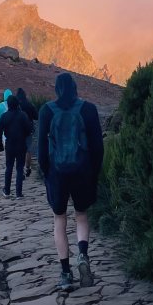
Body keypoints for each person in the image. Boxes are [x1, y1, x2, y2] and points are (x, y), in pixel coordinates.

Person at [38, 72, 104, 292]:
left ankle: (65, 274)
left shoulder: (47, 111)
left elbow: (41, 149)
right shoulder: (89, 109)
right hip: (82, 172)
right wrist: (94, 173)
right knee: (82, 216)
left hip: (57, 174)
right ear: (75, 87)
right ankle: (83, 254)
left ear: (56, 89)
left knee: (59, 220)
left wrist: (47, 174)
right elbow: (98, 148)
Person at [0, 95, 32, 198]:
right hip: (21, 144)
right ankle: (18, 193)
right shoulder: (23, 115)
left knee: (9, 167)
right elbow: (29, 130)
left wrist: (0, 146)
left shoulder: (4, 116)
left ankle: (7, 191)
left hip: (10, 145)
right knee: (20, 168)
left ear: (8, 104)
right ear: (18, 104)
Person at [16, 87, 38, 178]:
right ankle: (27, 168)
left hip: (18, 131)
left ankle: (20, 171)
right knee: (28, 150)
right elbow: (36, 116)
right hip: (29, 131)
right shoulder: (29, 104)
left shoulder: (16, 106)